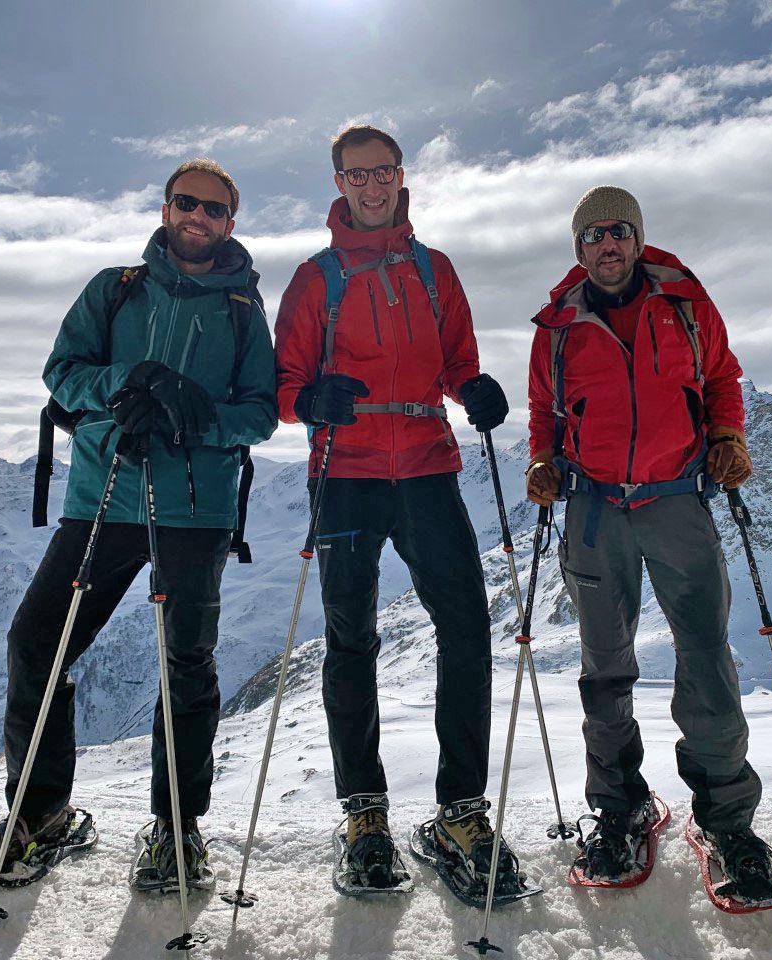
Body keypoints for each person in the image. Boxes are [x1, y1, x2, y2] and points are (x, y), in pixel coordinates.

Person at [0, 158, 277, 888]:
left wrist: (192, 412)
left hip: (195, 511)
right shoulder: (115, 290)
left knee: (185, 666)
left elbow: (260, 413)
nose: (199, 218)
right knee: (37, 642)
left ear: (232, 223)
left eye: (215, 210)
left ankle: (177, 828)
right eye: (187, 204)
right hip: (102, 496)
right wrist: (128, 383)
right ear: (167, 208)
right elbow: (62, 373)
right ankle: (41, 813)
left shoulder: (241, 310)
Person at [274, 125, 517, 895]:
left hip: (424, 467)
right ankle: (365, 812)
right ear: (338, 184)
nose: (370, 186)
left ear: (400, 176)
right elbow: (280, 387)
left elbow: (458, 364)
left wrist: (474, 391)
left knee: (467, 626)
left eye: (382, 173)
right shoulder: (315, 280)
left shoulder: (433, 270)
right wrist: (310, 398)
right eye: (356, 175)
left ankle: (460, 808)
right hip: (343, 473)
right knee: (351, 639)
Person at [526, 186, 772, 900]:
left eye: (618, 232)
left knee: (707, 658)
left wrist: (728, 436)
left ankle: (727, 823)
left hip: (677, 501)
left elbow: (721, 377)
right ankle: (619, 810)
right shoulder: (558, 325)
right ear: (578, 248)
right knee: (604, 670)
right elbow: (544, 409)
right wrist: (542, 460)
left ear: (637, 239)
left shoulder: (687, 306)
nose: (606, 245)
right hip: (596, 505)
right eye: (592, 236)